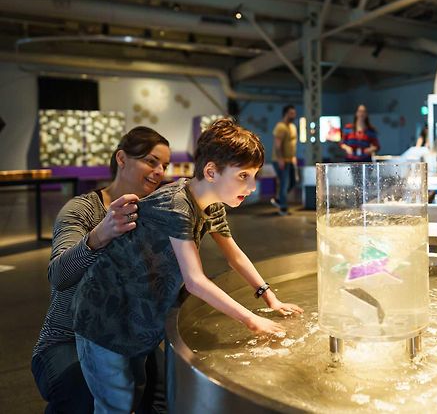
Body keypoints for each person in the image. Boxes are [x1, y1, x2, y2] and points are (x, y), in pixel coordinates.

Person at [71, 119, 303, 413]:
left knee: (133, 394)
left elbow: (234, 255)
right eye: (243, 175)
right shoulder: (177, 204)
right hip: (105, 317)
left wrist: (270, 296)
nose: (252, 186)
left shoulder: (212, 203)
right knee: (115, 404)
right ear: (210, 171)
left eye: (254, 175)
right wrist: (252, 320)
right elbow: (195, 280)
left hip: (138, 316)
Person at [32, 126, 171, 414]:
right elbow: (59, 276)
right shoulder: (81, 210)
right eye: (151, 161)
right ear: (121, 158)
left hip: (124, 335)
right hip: (67, 338)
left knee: (163, 394)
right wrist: (100, 235)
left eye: (164, 165)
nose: (159, 171)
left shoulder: (152, 214)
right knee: (85, 391)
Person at [271, 105, 298, 216]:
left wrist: (293, 158)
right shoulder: (280, 127)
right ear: (285, 113)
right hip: (280, 160)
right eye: (291, 113)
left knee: (293, 182)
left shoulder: (292, 127)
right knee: (284, 184)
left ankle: (279, 199)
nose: (293, 115)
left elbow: (292, 145)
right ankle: (283, 208)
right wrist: (280, 159)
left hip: (290, 160)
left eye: (294, 113)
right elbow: (278, 146)